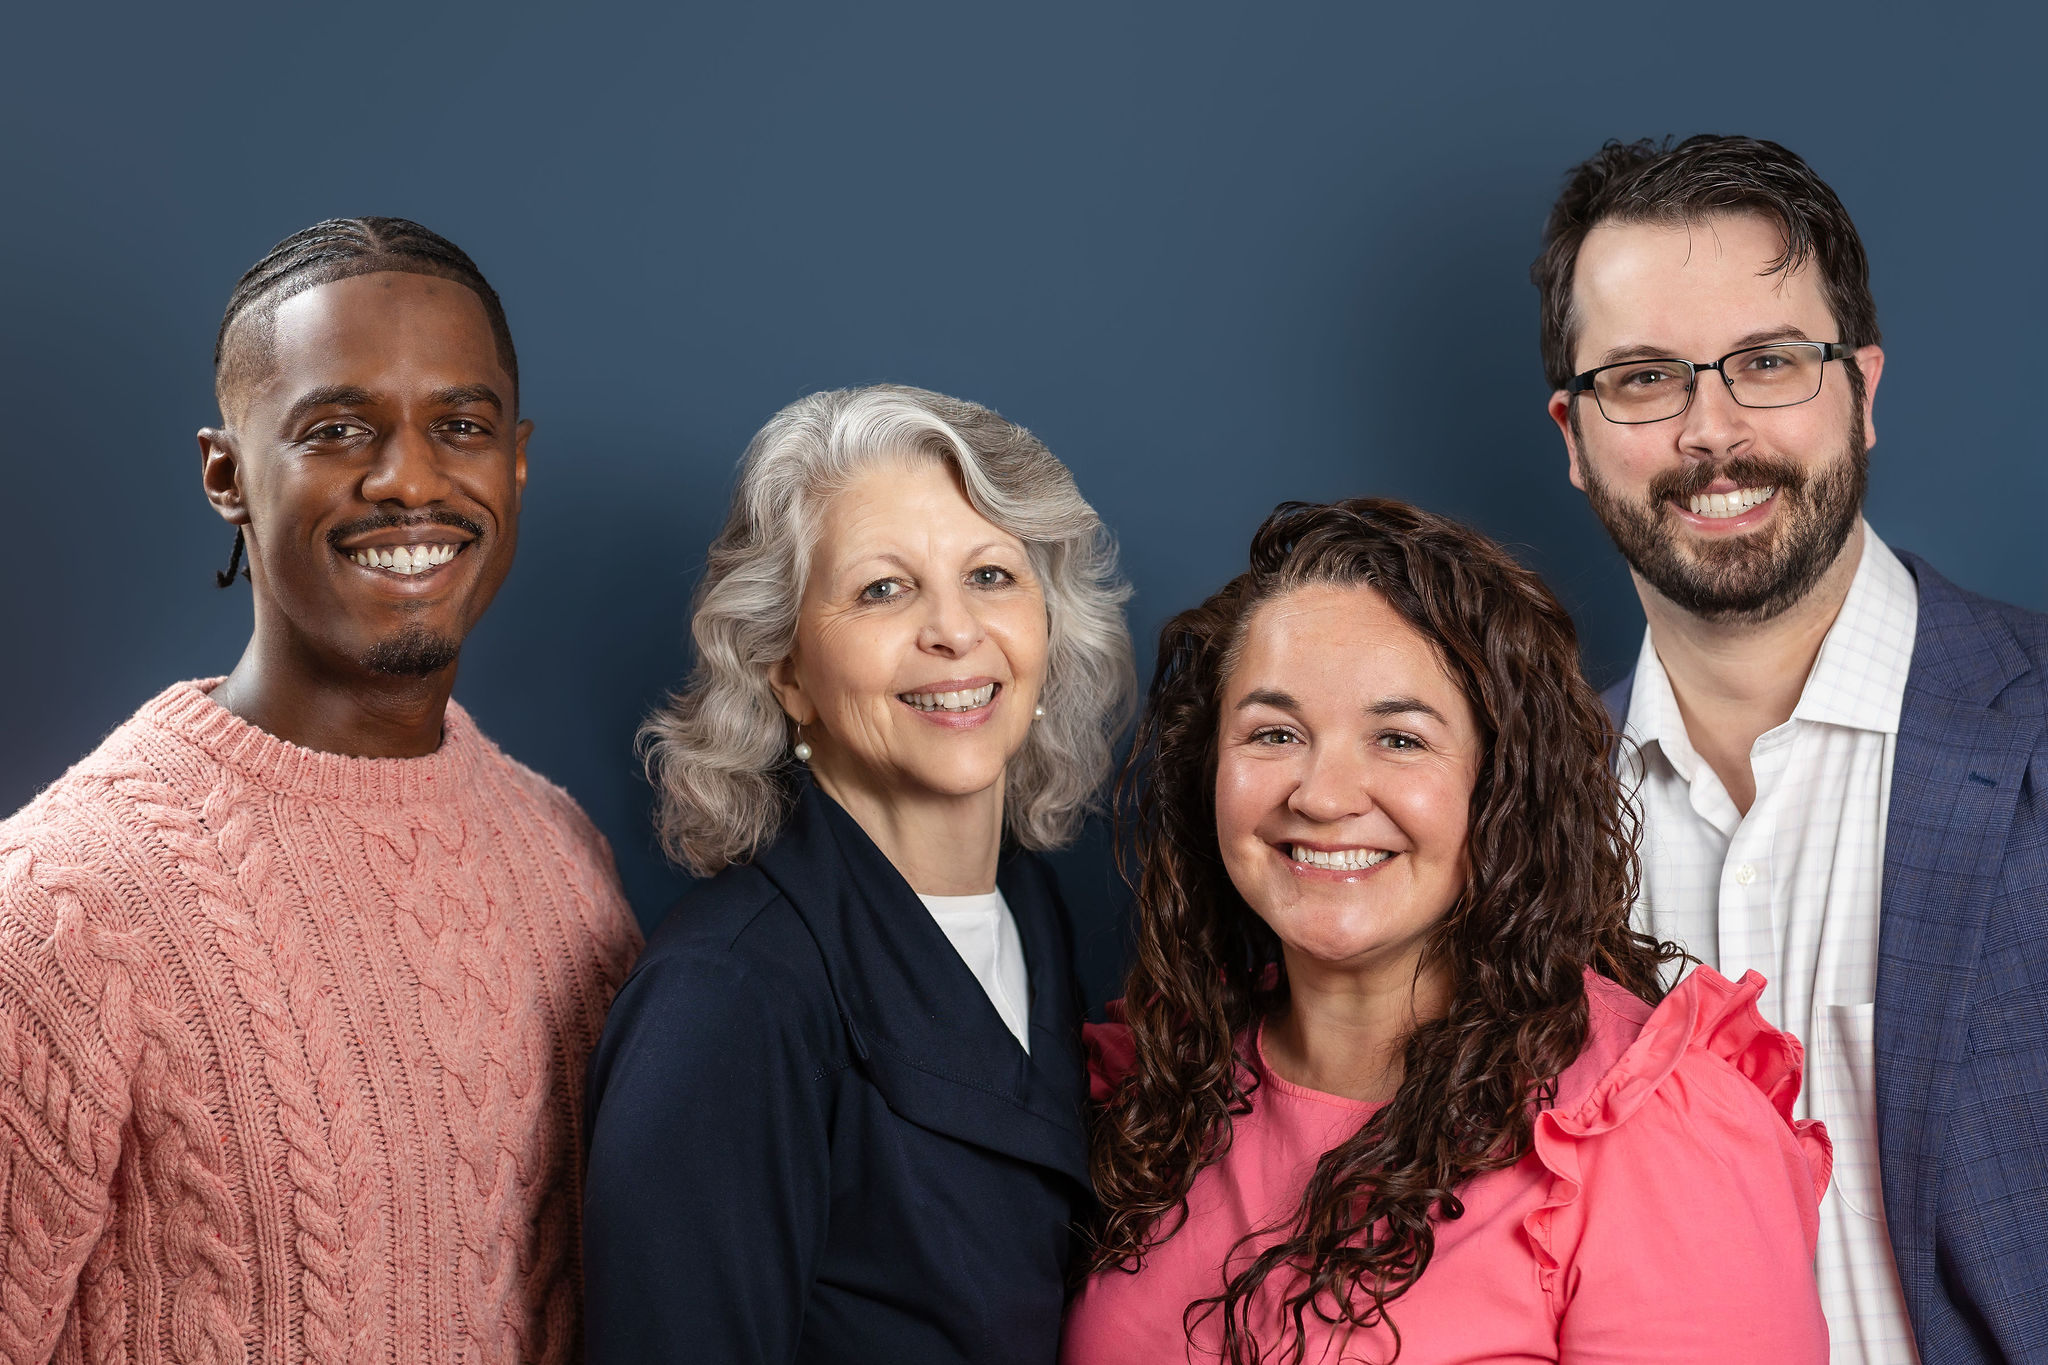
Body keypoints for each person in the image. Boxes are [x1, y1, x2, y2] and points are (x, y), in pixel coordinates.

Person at [0, 217, 641, 1363]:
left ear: (516, 462)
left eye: (460, 426)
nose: (409, 480)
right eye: (337, 430)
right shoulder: (59, 908)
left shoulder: (565, 856)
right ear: (225, 475)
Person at [1065, 498, 1831, 1365]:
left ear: (1501, 785)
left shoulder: (1656, 1133)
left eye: (1399, 739)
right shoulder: (1155, 1090)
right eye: (1274, 733)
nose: (1323, 795)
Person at [1534, 135, 2048, 1364]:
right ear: (1572, 435)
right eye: (1642, 379)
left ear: (1860, 391)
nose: (1710, 433)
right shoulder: (1516, 826)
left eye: (1766, 362)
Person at [582, 384, 1136, 1364]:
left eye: (992, 576)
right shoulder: (724, 1002)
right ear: (785, 670)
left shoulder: (1027, 910)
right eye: (884, 589)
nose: (954, 630)